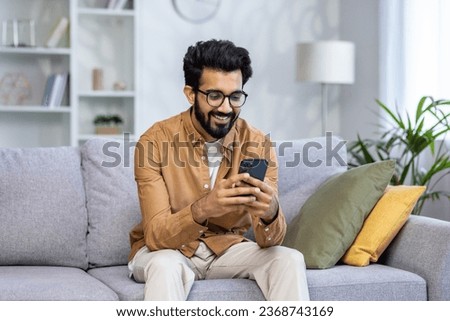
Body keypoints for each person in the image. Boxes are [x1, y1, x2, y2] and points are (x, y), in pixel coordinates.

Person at [128, 39, 309, 301]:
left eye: (235, 96)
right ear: (191, 94)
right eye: (214, 96)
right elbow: (156, 236)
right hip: (168, 251)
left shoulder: (258, 144)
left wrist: (270, 213)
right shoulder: (154, 141)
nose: (225, 108)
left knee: (288, 259)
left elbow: (270, 242)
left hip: (227, 249)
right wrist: (203, 209)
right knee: (165, 266)